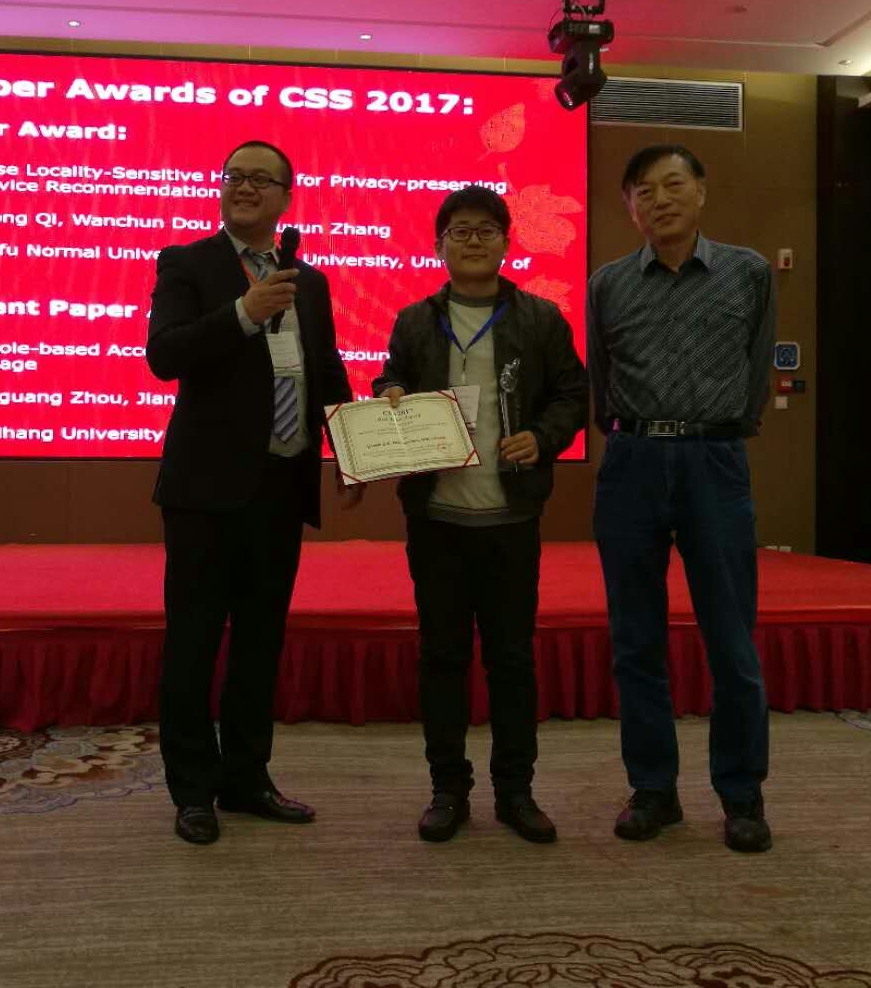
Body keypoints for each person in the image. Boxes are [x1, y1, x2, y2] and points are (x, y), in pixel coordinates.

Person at [147, 139, 354, 845]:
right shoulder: (187, 263)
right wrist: (242, 312)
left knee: (261, 644)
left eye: (261, 179)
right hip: (205, 492)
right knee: (194, 643)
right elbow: (164, 355)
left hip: (281, 486)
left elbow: (324, 369)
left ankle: (246, 777)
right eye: (235, 175)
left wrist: (351, 448)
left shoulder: (310, 282)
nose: (244, 187)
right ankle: (193, 792)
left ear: (286, 198)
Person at [370, 184, 588, 843]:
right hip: (437, 519)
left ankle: (516, 793)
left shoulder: (540, 318)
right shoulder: (415, 320)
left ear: (505, 242)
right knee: (441, 657)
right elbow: (388, 378)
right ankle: (448, 790)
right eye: (459, 231)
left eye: (485, 230)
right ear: (438, 245)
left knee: (512, 661)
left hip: (510, 520)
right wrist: (390, 392)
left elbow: (573, 394)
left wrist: (542, 437)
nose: (472, 241)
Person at [585, 144, 777, 854]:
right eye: (644, 191)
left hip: (713, 460)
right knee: (635, 640)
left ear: (701, 192)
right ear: (630, 207)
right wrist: (634, 436)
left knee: (731, 639)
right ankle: (653, 790)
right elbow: (601, 381)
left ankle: (742, 794)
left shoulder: (748, 272)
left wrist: (714, 432)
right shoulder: (607, 283)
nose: (659, 200)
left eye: (673, 185)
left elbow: (758, 369)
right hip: (631, 462)